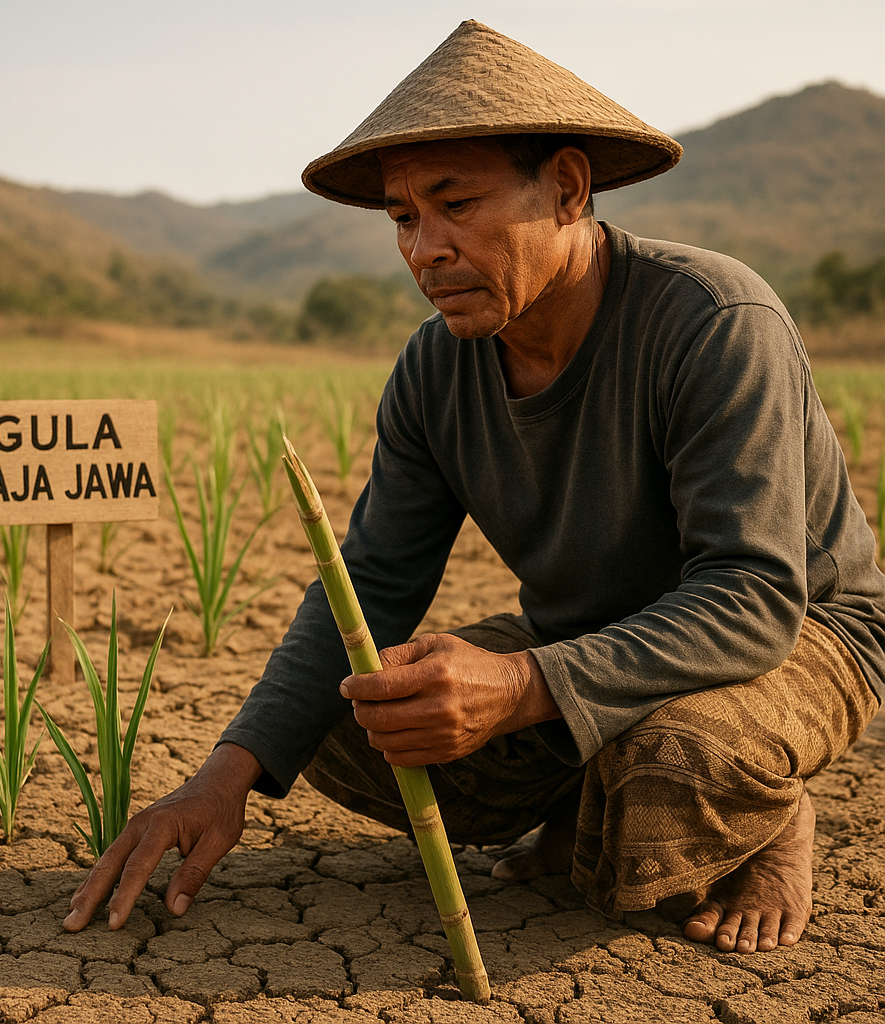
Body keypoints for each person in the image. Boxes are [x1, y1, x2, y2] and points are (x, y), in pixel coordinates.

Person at [63, 20, 883, 956]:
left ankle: (772, 815)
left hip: (799, 638)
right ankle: (593, 774)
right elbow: (369, 582)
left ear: (568, 189)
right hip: (596, 635)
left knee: (670, 778)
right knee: (351, 713)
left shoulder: (711, 320)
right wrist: (222, 779)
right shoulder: (435, 371)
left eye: (457, 204)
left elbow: (753, 597)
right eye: (405, 218)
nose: (425, 249)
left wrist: (524, 681)